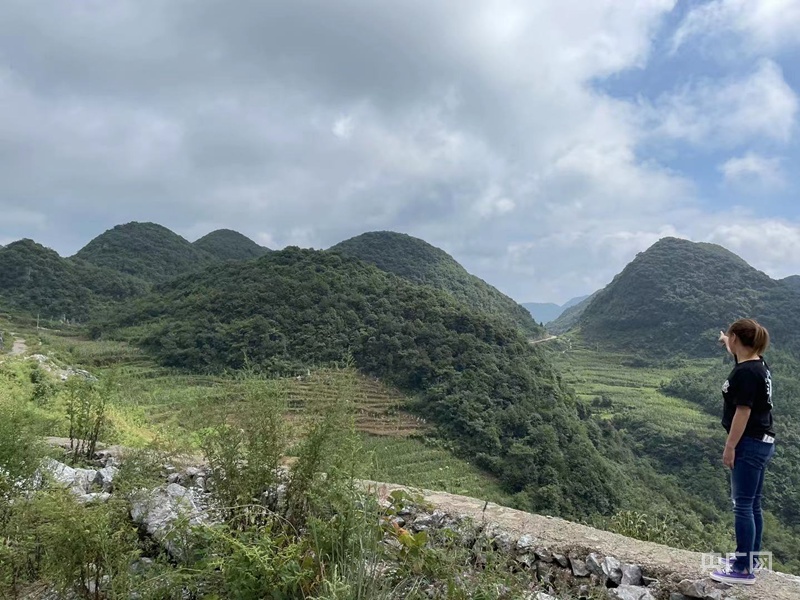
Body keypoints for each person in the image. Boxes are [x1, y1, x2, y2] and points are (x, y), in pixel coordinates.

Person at [710, 318, 776, 586]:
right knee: (753, 503)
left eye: (731, 337)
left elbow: (743, 410)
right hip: (762, 441)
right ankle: (751, 558)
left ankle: (742, 568)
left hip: (748, 443)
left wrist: (730, 446)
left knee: (743, 505)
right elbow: (738, 354)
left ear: (739, 338)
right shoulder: (756, 363)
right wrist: (727, 341)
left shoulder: (746, 372)